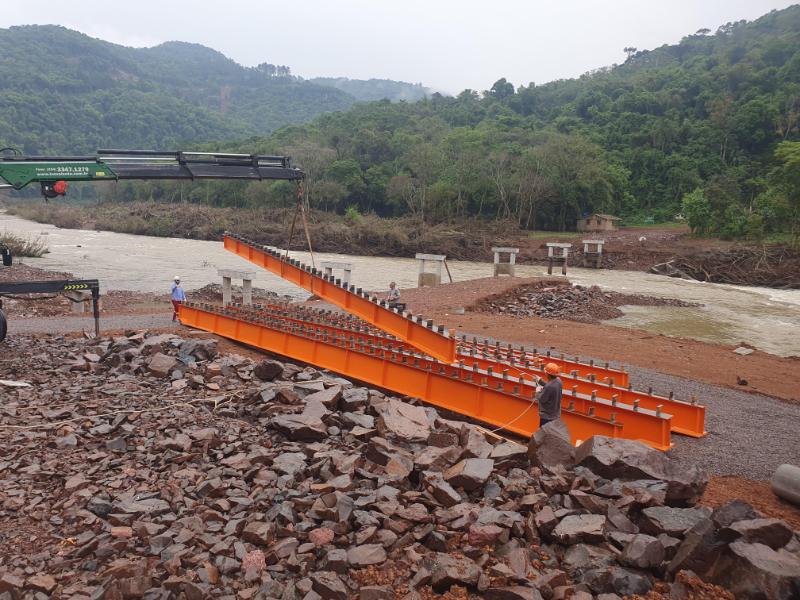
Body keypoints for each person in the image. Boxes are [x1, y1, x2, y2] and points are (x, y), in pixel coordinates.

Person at [535, 362, 562, 428]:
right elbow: (550, 385)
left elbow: (542, 399)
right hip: (555, 414)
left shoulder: (549, 387)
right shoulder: (559, 381)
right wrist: (541, 381)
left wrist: (538, 391)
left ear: (547, 374)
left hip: (547, 416)